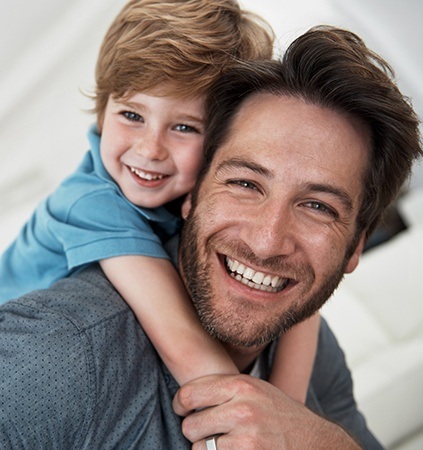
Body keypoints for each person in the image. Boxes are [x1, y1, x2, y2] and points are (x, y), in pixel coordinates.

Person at [1, 25, 421, 448]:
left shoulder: (314, 344)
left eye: (318, 207)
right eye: (244, 184)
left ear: (356, 247)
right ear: (192, 192)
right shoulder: (53, 351)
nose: (266, 242)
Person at [0, 0, 319, 406]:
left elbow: (305, 307)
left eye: (184, 127)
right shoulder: (87, 203)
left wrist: (290, 408)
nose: (150, 149)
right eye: (132, 115)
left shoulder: (198, 197)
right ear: (102, 110)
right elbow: (190, 352)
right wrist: (273, 424)